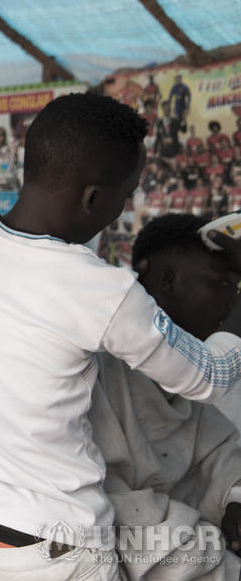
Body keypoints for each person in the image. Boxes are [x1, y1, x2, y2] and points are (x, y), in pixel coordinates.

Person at [0, 92, 241, 580]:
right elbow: (210, 378)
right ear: (94, 198)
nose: (124, 206)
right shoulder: (100, 289)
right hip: (54, 548)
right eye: (127, 193)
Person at [90, 213, 241, 579]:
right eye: (222, 284)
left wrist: (235, 502)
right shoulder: (98, 375)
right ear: (166, 280)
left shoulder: (186, 385)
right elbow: (122, 517)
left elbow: (220, 462)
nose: (231, 305)